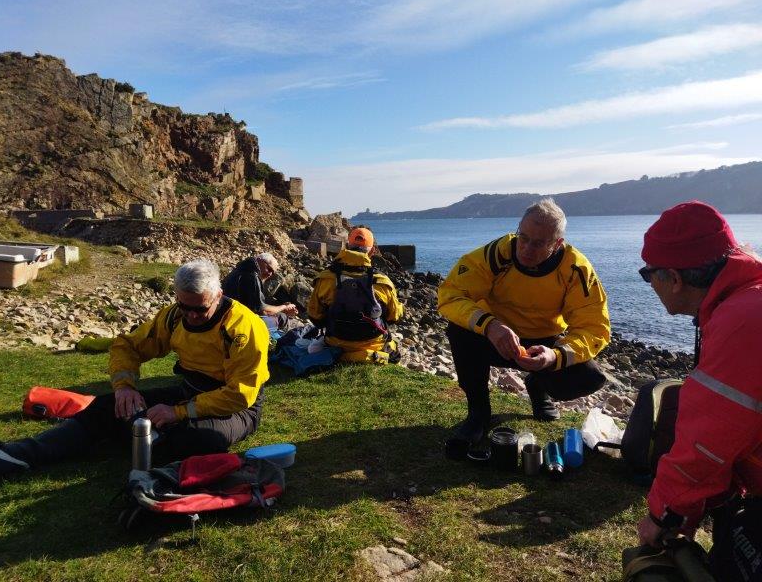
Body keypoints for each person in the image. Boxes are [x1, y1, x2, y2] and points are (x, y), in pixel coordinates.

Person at [0, 260, 270, 483]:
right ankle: (14, 455)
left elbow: (240, 393)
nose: (192, 315)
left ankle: (147, 438)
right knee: (105, 406)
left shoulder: (244, 328)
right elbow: (128, 346)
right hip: (190, 389)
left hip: (237, 408)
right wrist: (124, 386)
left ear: (217, 296)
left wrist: (179, 412)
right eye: (184, 306)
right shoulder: (174, 317)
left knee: (199, 439)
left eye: (200, 309)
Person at [635, 201, 762, 580]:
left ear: (673, 278)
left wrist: (663, 517)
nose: (650, 285)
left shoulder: (742, 323)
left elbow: (705, 444)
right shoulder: (746, 301)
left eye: (648, 275)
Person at [437, 198, 610, 458]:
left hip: (543, 344)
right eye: (523, 237)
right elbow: (450, 295)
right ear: (518, 229)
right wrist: (490, 325)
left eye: (539, 243)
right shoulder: (496, 254)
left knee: (591, 378)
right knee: (459, 331)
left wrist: (555, 356)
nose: (526, 249)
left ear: (557, 244)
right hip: (497, 338)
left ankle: (538, 385)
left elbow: (595, 328)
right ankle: (478, 412)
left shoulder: (576, 269)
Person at [307, 227, 404, 363]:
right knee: (394, 348)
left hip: (336, 343)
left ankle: (341, 356)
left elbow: (315, 317)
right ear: (372, 251)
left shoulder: (325, 279)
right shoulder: (383, 282)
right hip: (373, 346)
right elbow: (394, 317)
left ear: (347, 246)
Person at [222, 252, 298, 330]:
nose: (270, 274)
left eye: (272, 273)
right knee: (282, 318)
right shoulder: (252, 276)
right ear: (259, 260)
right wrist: (284, 307)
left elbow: (256, 304)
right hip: (237, 323)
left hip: (228, 315)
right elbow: (263, 311)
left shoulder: (242, 268)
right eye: (269, 269)